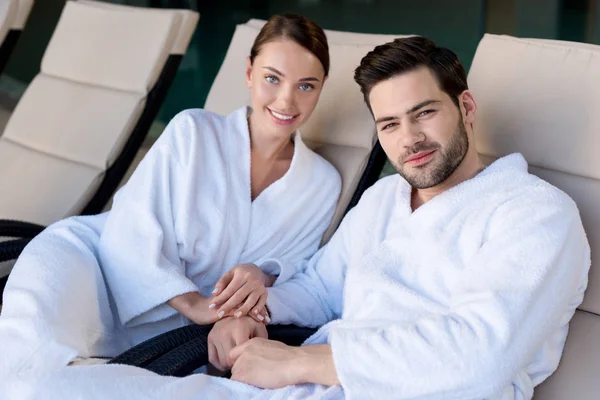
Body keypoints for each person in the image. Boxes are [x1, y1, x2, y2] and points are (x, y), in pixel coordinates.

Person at [2, 37, 590, 400]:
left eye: (424, 113)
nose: (408, 140)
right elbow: (319, 288)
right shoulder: (385, 202)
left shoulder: (534, 215)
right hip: (297, 381)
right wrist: (255, 314)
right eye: (388, 125)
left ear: (465, 106)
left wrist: (299, 361)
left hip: (366, 388)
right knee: (41, 383)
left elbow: (481, 359)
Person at [0, 13, 340, 376]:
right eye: (273, 78)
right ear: (248, 73)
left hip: (183, 335)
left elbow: (297, 268)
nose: (286, 101)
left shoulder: (320, 183)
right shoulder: (193, 132)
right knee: (26, 357)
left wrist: (259, 275)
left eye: (306, 86)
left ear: (321, 88)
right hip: (91, 261)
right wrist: (193, 303)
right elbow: (131, 228)